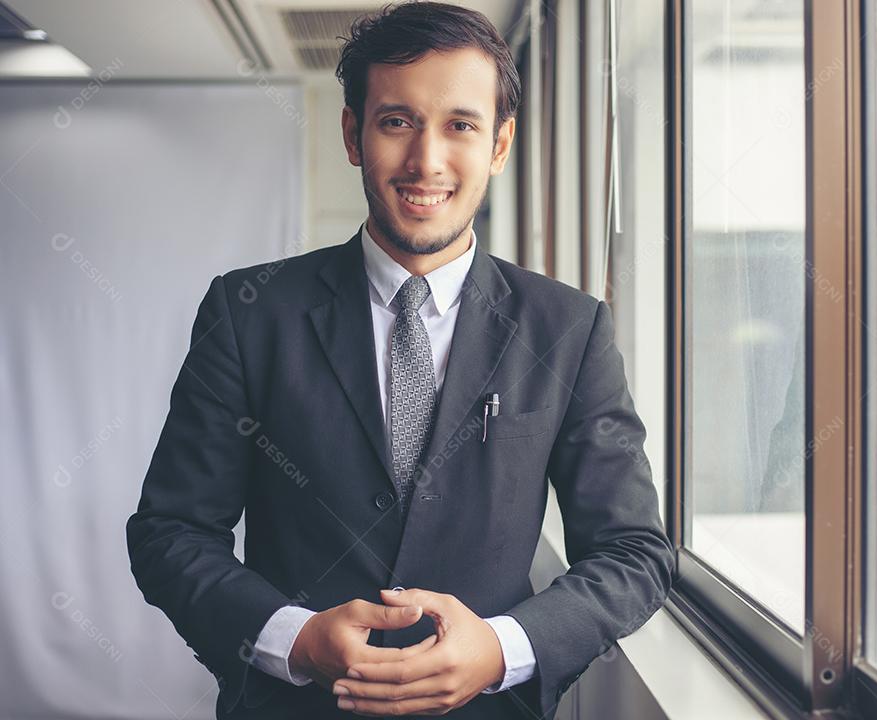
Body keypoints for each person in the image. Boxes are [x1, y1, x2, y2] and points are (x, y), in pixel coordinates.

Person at [126, 3, 674, 718]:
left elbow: (633, 552)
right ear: (354, 134)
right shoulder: (249, 311)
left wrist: (502, 649)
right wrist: (293, 640)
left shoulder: (568, 329)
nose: (427, 161)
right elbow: (170, 533)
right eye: (397, 121)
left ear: (500, 145)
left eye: (461, 125)